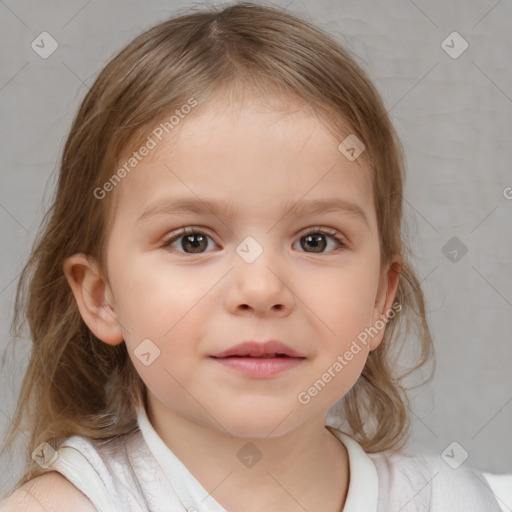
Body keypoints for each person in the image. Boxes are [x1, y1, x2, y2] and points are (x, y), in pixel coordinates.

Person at [0, 2, 503, 511]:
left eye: (316, 240)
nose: (261, 290)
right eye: (193, 241)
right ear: (101, 295)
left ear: (379, 298)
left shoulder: (453, 499)